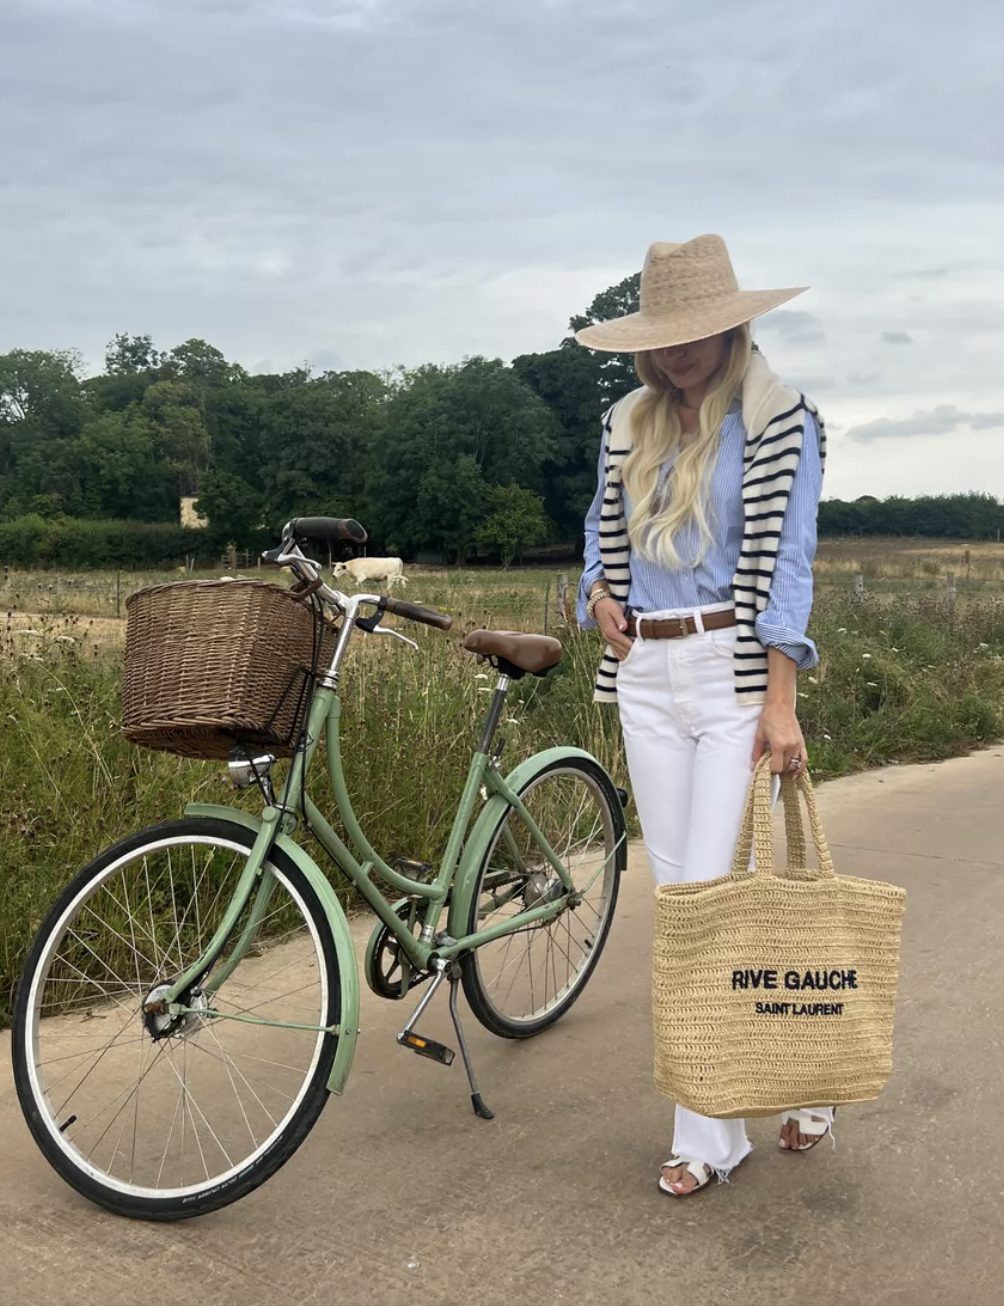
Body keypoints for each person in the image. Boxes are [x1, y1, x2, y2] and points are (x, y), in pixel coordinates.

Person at [575, 234, 832, 1197]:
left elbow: (790, 564)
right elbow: (598, 541)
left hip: (730, 673)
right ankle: (784, 1086)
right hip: (647, 672)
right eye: (665, 335)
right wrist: (596, 594)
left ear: (733, 325)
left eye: (700, 331)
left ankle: (713, 1130)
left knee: (716, 902)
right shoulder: (626, 422)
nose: (680, 351)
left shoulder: (777, 417)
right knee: (683, 901)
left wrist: (781, 703)